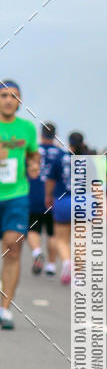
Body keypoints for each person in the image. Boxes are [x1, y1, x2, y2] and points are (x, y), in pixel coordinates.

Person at [0, 80, 39, 329]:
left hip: (17, 195)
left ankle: (4, 308)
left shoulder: (27, 129)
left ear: (20, 101)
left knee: (13, 247)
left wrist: (34, 165)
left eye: (13, 96)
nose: (8, 100)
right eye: (3, 95)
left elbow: (34, 154)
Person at [45, 131, 87, 285]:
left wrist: (48, 196)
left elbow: (50, 180)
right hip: (83, 201)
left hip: (63, 200)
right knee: (80, 239)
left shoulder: (60, 158)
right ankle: (78, 275)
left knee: (61, 239)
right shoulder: (90, 159)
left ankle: (66, 262)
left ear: (69, 143)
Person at [27, 122, 62, 276]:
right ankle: (51, 266)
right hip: (54, 198)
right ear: (55, 135)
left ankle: (36, 251)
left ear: (41, 134)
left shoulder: (33, 152)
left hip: (33, 195)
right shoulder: (61, 154)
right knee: (52, 233)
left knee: (32, 229)